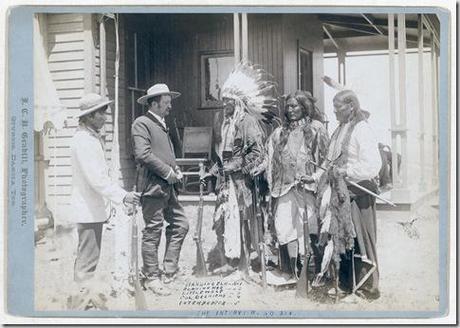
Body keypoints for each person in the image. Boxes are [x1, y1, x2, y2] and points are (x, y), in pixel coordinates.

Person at [203, 62, 279, 277]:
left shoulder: (248, 122)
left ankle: (245, 263)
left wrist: (239, 167)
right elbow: (218, 152)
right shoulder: (222, 122)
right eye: (223, 99)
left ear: (237, 101)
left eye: (228, 100)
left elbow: (258, 153)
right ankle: (230, 261)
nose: (224, 103)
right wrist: (214, 171)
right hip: (226, 182)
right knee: (223, 220)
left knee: (245, 220)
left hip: (243, 183)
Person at [70, 93, 140, 308]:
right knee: (87, 260)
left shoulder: (89, 138)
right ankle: (78, 306)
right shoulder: (84, 141)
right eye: (102, 112)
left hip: (91, 209)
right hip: (87, 210)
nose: (106, 116)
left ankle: (83, 301)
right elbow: (97, 180)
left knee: (89, 257)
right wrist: (123, 195)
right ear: (90, 116)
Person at [316, 89, 382, 300]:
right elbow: (329, 161)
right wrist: (316, 176)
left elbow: (373, 165)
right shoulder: (338, 130)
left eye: (338, 108)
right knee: (342, 238)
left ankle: (366, 287)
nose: (334, 112)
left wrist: (347, 172)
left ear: (351, 107)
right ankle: (346, 283)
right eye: (334, 107)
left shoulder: (362, 129)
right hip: (339, 193)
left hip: (358, 193)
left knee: (359, 239)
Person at [262, 90, 329, 282]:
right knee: (283, 227)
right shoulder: (279, 133)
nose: (290, 110)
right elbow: (269, 159)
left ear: (304, 107)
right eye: (288, 106)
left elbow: (327, 160)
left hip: (308, 188)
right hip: (283, 187)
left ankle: (317, 272)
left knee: (310, 227)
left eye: (295, 106)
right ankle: (290, 271)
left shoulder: (317, 129)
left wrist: (316, 177)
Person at [132, 83, 189, 296]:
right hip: (152, 187)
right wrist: (167, 172)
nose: (170, 107)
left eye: (169, 103)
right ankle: (152, 277)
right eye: (166, 103)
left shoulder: (162, 124)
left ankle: (169, 271)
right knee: (153, 230)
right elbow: (143, 154)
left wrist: (175, 170)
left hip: (169, 186)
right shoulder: (142, 123)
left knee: (181, 224)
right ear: (154, 104)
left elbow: (164, 154)